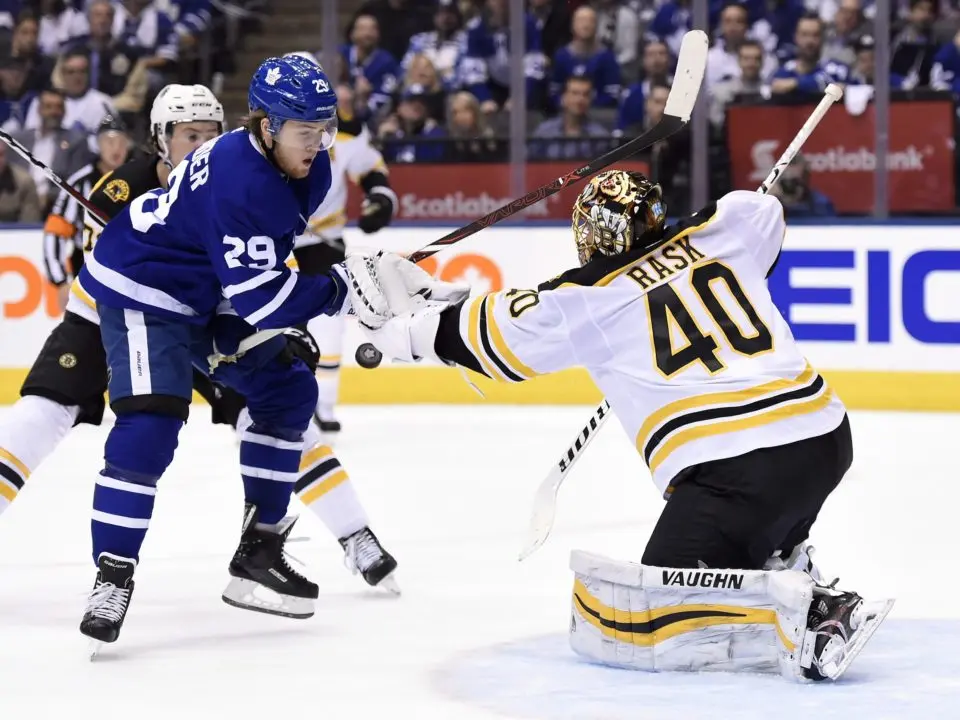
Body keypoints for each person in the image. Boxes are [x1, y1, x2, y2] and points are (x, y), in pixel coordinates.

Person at [359, 170, 894, 682]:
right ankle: (785, 559)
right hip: (824, 435)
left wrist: (382, 325)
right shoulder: (724, 226)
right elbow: (766, 213)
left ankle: (818, 611)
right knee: (744, 526)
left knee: (662, 612)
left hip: (738, 467)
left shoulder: (587, 297)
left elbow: (482, 337)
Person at [73, 56, 431, 649]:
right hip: (144, 287)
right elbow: (265, 300)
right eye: (302, 130)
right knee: (152, 422)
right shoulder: (241, 178)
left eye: (324, 129)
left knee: (289, 386)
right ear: (265, 126)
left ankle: (259, 548)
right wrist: (346, 290)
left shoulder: (306, 171)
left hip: (207, 290)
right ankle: (112, 575)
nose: (316, 144)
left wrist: (347, 285)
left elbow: (260, 272)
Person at [288, 51, 397, 437]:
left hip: (323, 241)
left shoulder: (344, 131)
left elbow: (371, 169)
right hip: (273, 241)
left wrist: (380, 199)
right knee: (271, 322)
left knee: (329, 322)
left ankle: (323, 402)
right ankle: (262, 404)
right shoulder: (258, 133)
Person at [41, 114, 132, 311]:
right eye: (109, 141)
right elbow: (55, 231)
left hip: (132, 280)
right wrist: (60, 282)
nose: (115, 148)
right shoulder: (81, 183)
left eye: (120, 141)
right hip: (86, 278)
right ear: (97, 144)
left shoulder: (140, 178)